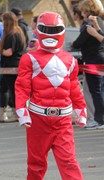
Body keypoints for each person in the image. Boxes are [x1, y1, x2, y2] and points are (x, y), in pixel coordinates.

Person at [15, 11, 87, 180]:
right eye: (45, 28)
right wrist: (21, 109)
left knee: (69, 162)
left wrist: (80, 108)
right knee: (36, 164)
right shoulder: (29, 58)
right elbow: (22, 86)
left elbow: (73, 87)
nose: (50, 33)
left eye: (54, 29)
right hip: (38, 119)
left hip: (62, 121)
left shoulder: (70, 60)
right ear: (38, 30)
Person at [72, 0, 104, 129]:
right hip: (100, 58)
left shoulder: (88, 24)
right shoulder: (99, 21)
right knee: (100, 90)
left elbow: (78, 43)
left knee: (95, 91)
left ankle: (98, 120)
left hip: (92, 60)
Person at [0, 11, 26, 123]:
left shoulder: (11, 35)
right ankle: (9, 112)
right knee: (8, 89)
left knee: (9, 89)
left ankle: (12, 112)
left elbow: (9, 52)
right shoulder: (19, 32)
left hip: (10, 65)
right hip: (17, 64)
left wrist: (0, 51)